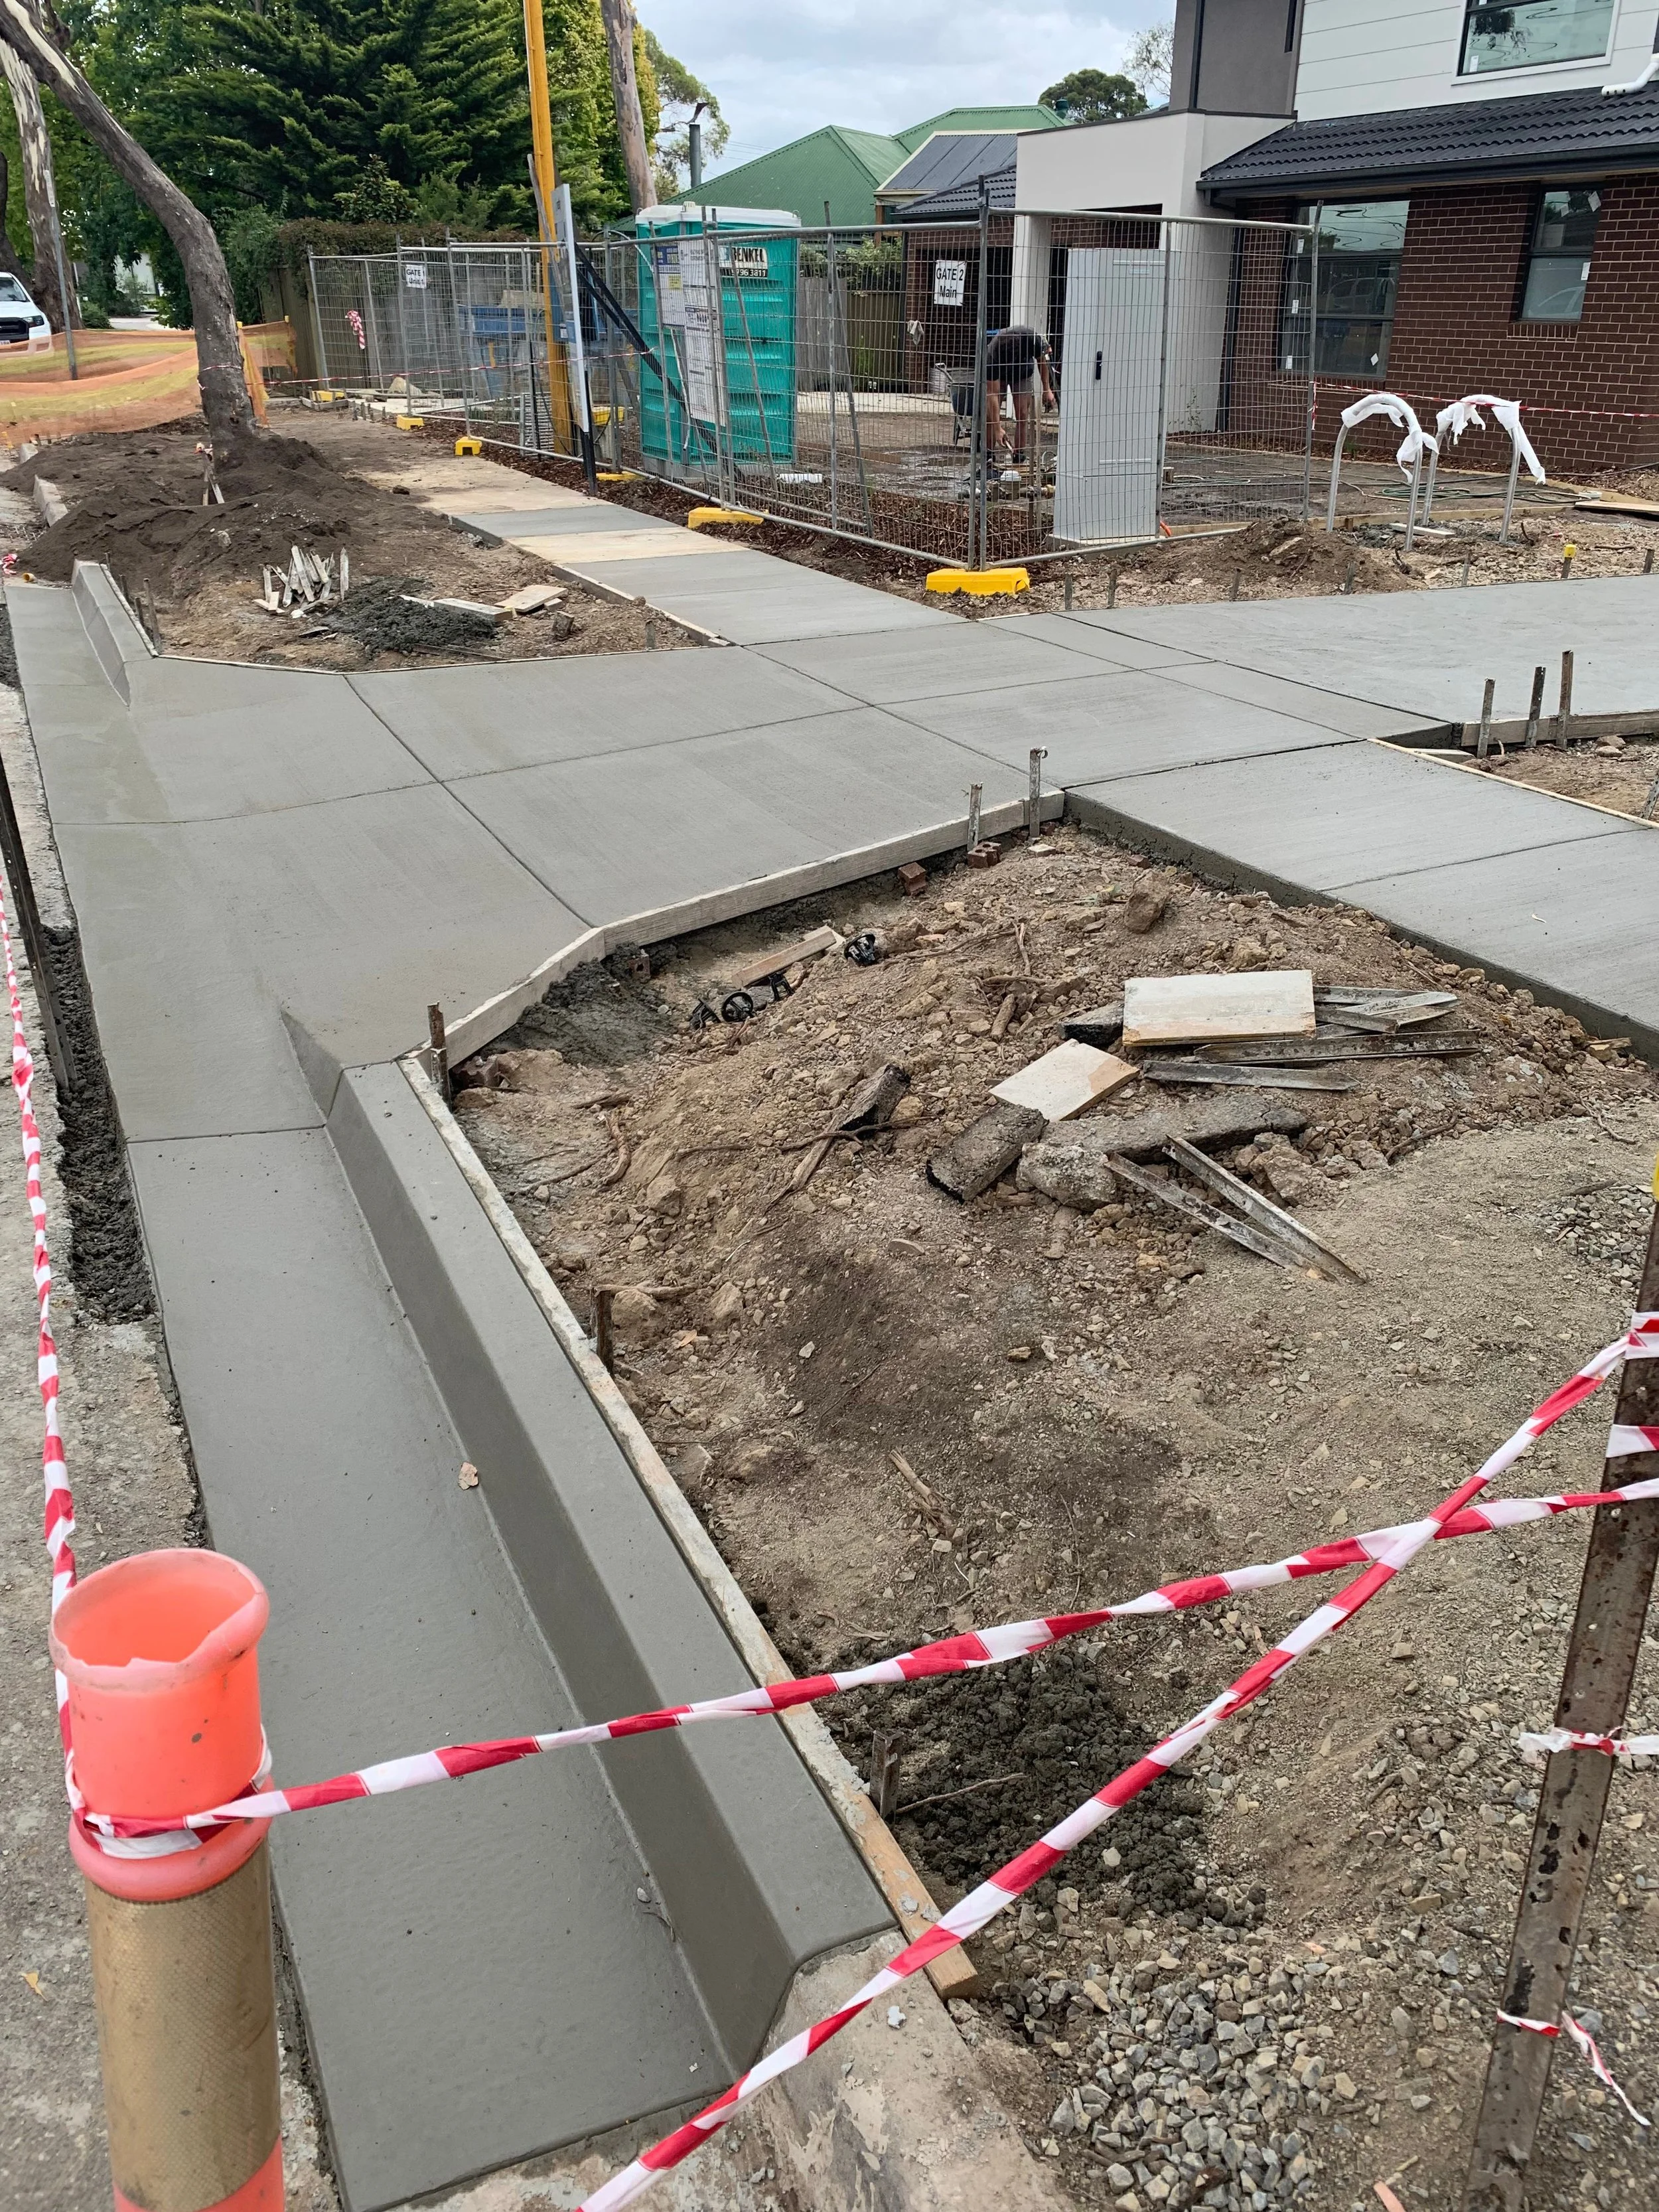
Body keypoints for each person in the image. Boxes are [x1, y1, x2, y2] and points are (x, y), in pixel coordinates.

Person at [985, 324, 1056, 463]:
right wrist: (998, 427)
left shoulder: (1032, 339)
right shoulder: (993, 352)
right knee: (991, 416)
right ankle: (988, 455)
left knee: (1023, 414)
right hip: (1000, 374)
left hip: (1023, 373)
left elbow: (1042, 361)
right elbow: (992, 394)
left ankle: (1019, 456)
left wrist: (1047, 389)